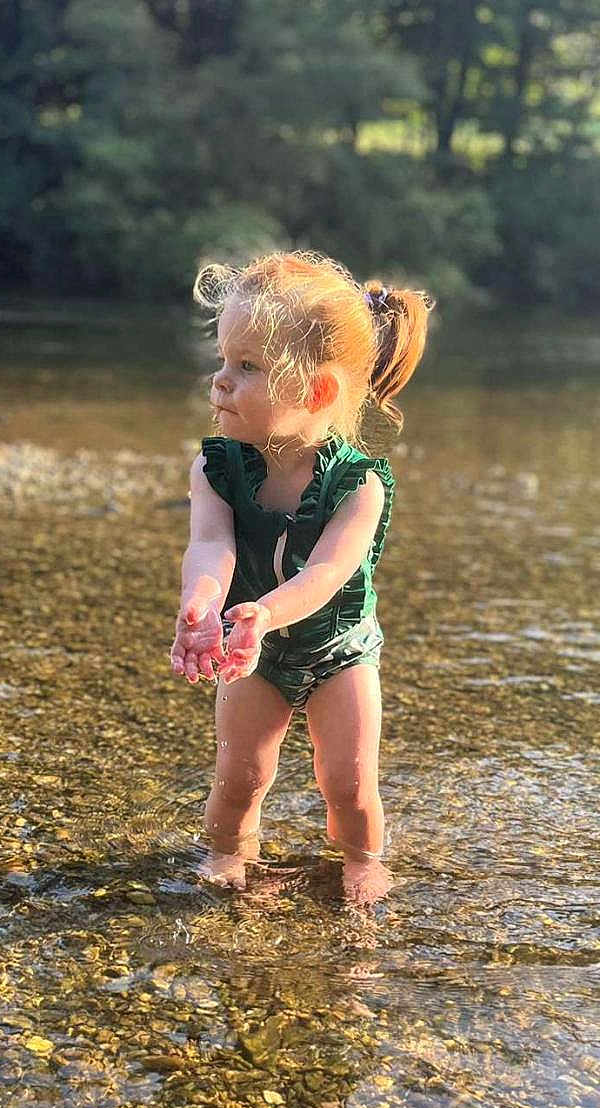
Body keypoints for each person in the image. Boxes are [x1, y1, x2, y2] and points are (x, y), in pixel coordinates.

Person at [170, 251, 431, 904]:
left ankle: (363, 861)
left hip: (339, 652)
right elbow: (210, 545)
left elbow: (328, 572)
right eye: (223, 360)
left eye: (247, 367)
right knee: (241, 776)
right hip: (252, 653)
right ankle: (229, 852)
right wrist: (203, 603)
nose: (220, 382)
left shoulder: (358, 486)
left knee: (347, 782)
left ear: (315, 392)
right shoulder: (216, 470)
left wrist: (265, 612)